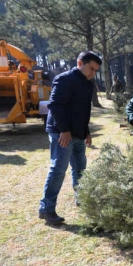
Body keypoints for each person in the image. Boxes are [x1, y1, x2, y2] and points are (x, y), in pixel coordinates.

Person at [38, 51, 102, 224]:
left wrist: (86, 131)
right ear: (80, 63)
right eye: (91, 68)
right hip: (61, 132)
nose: (92, 73)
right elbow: (55, 106)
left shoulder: (88, 83)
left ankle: (83, 199)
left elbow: (84, 110)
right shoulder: (64, 79)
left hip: (79, 132)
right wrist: (64, 130)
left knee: (80, 167)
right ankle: (47, 209)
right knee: (58, 169)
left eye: (96, 70)